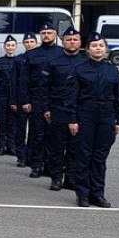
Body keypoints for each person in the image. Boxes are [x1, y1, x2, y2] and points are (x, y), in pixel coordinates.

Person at [68, 33, 119, 208]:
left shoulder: (112, 70)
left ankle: (97, 194)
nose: (98, 48)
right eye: (94, 45)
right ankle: (83, 195)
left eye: (101, 45)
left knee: (100, 157)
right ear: (87, 49)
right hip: (86, 114)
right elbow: (72, 97)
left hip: (106, 115)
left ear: (106, 49)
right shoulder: (79, 69)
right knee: (84, 156)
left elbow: (118, 97)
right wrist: (72, 119)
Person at [42, 27, 87, 192]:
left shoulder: (85, 62)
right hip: (58, 109)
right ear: (63, 42)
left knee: (75, 147)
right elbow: (45, 88)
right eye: (69, 39)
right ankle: (56, 178)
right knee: (57, 147)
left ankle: (70, 178)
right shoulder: (53, 62)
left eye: (75, 39)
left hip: (79, 111)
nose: (72, 42)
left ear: (80, 42)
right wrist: (46, 108)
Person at [22, 22, 62, 179]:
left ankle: (50, 166)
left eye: (50, 33)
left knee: (54, 136)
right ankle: (36, 165)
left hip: (56, 100)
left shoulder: (61, 53)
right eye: (44, 33)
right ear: (40, 35)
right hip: (36, 99)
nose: (46, 36)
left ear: (55, 35)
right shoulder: (32, 54)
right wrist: (25, 100)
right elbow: (24, 80)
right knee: (37, 135)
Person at [13, 32, 38, 167]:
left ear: (36, 42)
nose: (29, 44)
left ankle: (31, 155)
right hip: (20, 99)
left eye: (31, 42)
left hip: (35, 99)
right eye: (27, 42)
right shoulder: (19, 59)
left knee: (34, 131)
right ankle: (21, 156)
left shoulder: (39, 58)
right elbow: (14, 82)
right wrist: (13, 100)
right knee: (20, 130)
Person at [0, 35, 19, 157]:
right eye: (8, 45)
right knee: (1, 123)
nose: (10, 48)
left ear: (16, 47)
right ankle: (1, 146)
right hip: (2, 97)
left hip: (14, 98)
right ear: (4, 47)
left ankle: (11, 146)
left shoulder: (19, 62)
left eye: (13, 45)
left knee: (13, 123)